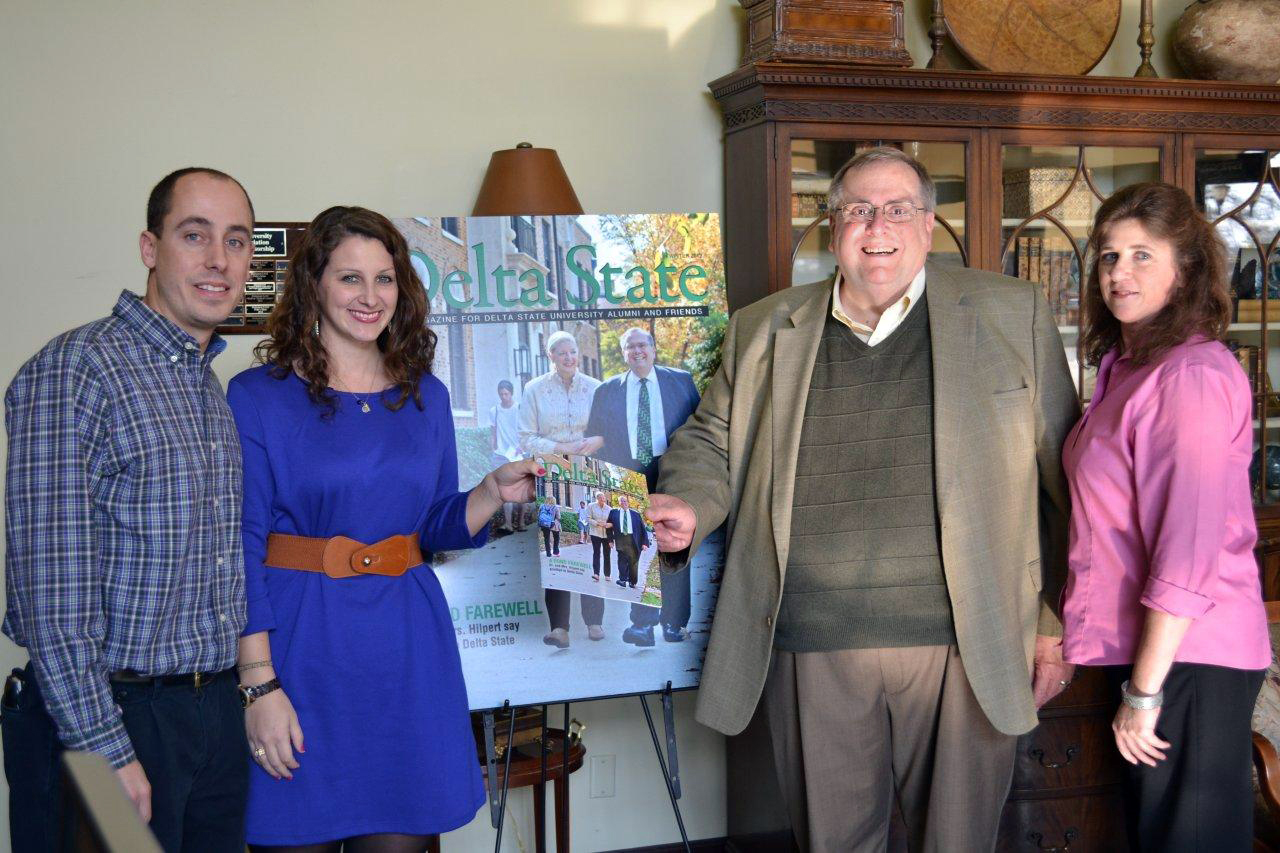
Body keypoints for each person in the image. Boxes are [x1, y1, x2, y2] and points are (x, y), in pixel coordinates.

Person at [646, 147, 1080, 851]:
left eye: (898, 208)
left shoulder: (1010, 312)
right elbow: (709, 442)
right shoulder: (763, 329)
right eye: (858, 208)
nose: (878, 225)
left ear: (929, 224)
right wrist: (691, 506)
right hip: (813, 644)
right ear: (832, 225)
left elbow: (1064, 482)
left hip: (966, 645)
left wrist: (1054, 623)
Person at [227, 206, 537, 851]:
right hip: (301, 653)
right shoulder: (257, 395)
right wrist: (259, 685)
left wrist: (486, 494)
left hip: (407, 652)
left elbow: (429, 527)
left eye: (385, 278)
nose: (371, 298)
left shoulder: (427, 395)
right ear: (313, 284)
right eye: (350, 279)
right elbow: (241, 546)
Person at [2, 168, 256, 852]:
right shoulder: (76, 370)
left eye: (235, 241)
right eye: (194, 235)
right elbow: (50, 597)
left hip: (209, 717)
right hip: (108, 722)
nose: (217, 259)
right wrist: (102, 748)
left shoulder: (204, 386)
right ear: (150, 247)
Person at [1062, 182, 1270, 852]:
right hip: (1151, 652)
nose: (1119, 272)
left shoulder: (1192, 377)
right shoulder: (1127, 367)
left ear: (1185, 271)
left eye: (1142, 256)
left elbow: (1186, 553)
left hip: (1189, 657)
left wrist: (1145, 693)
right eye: (1108, 256)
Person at [584, 327, 701, 645]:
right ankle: (643, 624)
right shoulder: (607, 391)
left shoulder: (680, 381)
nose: (637, 351)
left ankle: (674, 623)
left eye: (642, 345)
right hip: (629, 476)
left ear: (652, 349)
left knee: (674, 545)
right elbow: (596, 438)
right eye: (630, 347)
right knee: (635, 547)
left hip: (672, 471)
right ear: (623, 353)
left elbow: (701, 428)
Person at [518, 331, 605, 648]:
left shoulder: (596, 389)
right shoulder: (535, 390)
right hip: (552, 479)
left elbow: (607, 433)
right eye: (562, 353)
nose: (569, 358)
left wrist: (594, 442)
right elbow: (526, 439)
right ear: (550, 356)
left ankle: (594, 620)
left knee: (590, 543)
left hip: (590, 478)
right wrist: (561, 446)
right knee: (555, 547)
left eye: (573, 352)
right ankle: (560, 628)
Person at [490, 379, 524, 532]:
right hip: (501, 455)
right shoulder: (494, 411)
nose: (504, 397)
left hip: (517, 454)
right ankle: (508, 524)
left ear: (511, 394)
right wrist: (494, 447)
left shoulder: (519, 409)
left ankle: (521, 522)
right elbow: (493, 433)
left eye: (506, 394)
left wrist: (521, 446)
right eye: (501, 394)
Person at [608, 494, 650, 592]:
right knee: (622, 561)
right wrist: (610, 540)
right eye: (621, 501)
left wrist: (645, 543)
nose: (624, 503)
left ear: (628, 503)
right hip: (621, 539)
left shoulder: (635, 514)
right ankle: (622, 580)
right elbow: (609, 528)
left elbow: (642, 529)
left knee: (633, 562)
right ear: (619, 503)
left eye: (625, 501)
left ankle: (632, 582)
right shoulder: (614, 513)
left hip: (635, 540)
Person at [587, 491, 614, 583]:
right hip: (595, 533)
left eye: (604, 498)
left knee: (607, 554)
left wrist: (607, 524)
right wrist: (597, 523)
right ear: (597, 498)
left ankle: (607, 575)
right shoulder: (591, 506)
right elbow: (588, 518)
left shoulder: (609, 509)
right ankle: (596, 574)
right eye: (601, 498)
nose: (604, 499)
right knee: (596, 553)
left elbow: (612, 522)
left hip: (606, 534)